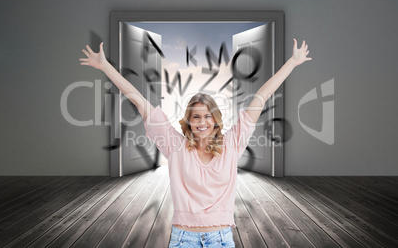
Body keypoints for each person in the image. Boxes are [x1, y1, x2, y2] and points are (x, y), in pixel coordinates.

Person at [80, 38, 312, 248]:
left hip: (221, 238)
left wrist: (292, 63)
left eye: (208, 116)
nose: (203, 122)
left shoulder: (232, 144)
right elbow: (140, 103)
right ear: (189, 121)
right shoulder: (175, 146)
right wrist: (105, 67)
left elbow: (261, 98)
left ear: (216, 119)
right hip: (183, 239)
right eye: (196, 116)